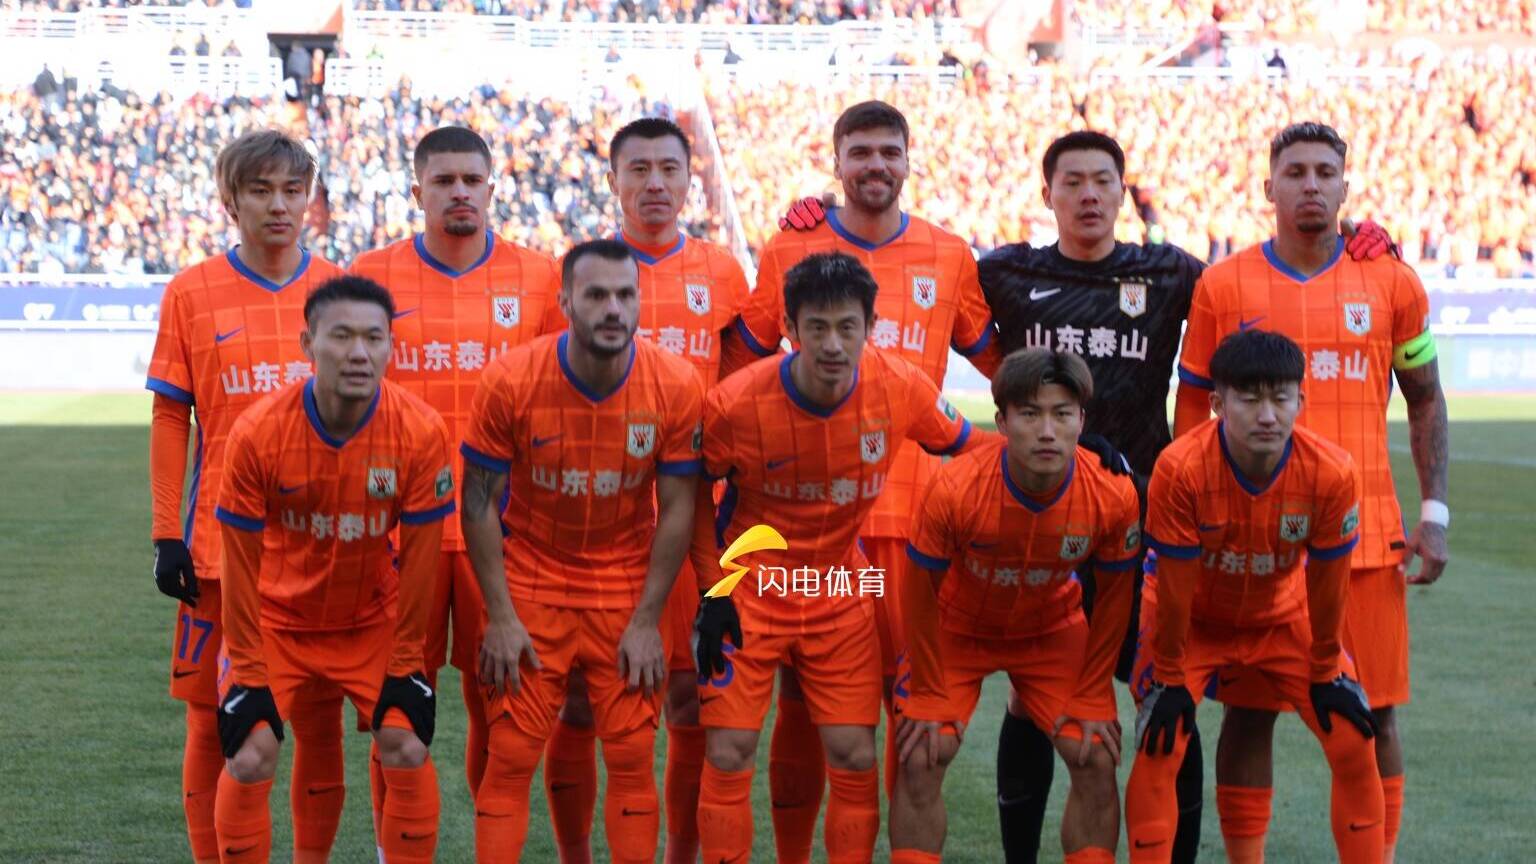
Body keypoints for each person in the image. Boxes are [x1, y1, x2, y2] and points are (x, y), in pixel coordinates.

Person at [780, 127, 1399, 864]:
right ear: (1047, 194)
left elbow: (1261, 279)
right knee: (1025, 698)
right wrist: (821, 214)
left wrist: (1355, 238)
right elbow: (907, 268)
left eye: (1102, 181)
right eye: (1071, 182)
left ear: (1122, 191)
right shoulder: (1005, 270)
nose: (1088, 195)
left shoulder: (1171, 273)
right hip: (1027, 504)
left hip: (1138, 513)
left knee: (1156, 703)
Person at [724, 101, 1002, 861]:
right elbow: (744, 359)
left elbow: (998, 362)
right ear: (837, 160)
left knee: (908, 707)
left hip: (916, 528)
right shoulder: (793, 243)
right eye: (861, 152)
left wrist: (1056, 431)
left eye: (889, 151)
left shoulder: (949, 254)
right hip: (813, 532)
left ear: (908, 160)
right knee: (800, 700)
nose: (875, 165)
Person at [1172, 122, 1449, 864]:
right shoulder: (1223, 284)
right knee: (1249, 715)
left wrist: (1434, 513)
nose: (1311, 184)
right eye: (1294, 172)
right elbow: (1192, 406)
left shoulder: (1391, 280)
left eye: (1326, 171)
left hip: (1366, 539)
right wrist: (1194, 518)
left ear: (1345, 186)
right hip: (1253, 547)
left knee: (1373, 715)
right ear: (1268, 187)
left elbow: (1425, 396)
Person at [694, 252, 982, 864]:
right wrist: (711, 590)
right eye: (816, 327)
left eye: (847, 327)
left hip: (841, 584)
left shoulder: (899, 385)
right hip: (751, 588)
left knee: (853, 753)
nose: (832, 344)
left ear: (870, 325)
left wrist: (1075, 458)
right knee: (727, 751)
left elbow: (974, 447)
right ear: (789, 329)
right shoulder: (735, 404)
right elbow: (690, 491)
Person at [537, 117, 749, 864]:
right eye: (639, 169)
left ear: (690, 180)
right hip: (593, 527)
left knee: (690, 699)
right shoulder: (580, 272)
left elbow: (741, 390)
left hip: (689, 520)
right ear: (614, 180)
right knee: (578, 703)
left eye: (669, 168)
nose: (655, 183)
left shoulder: (723, 274)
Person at [461, 239, 704, 864]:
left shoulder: (677, 384)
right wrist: (501, 616)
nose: (613, 309)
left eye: (625, 295)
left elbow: (678, 508)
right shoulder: (510, 380)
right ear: (565, 301)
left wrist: (648, 620)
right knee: (510, 756)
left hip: (625, 582)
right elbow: (478, 503)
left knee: (631, 756)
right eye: (596, 295)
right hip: (532, 576)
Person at [145, 129, 346, 864]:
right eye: (261, 190)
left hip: (323, 551)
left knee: (317, 721)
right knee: (213, 722)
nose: (279, 205)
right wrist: (166, 532)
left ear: (310, 199)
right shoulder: (191, 290)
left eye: (293, 190)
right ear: (231, 201)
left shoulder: (340, 291)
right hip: (218, 551)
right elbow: (172, 415)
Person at [350, 124, 562, 811]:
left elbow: (559, 399)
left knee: (496, 697)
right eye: (443, 181)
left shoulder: (539, 275)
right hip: (396, 529)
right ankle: (394, 852)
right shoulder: (371, 273)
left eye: (472, 179)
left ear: (492, 188)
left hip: (499, 531)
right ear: (417, 192)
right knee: (396, 706)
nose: (460, 192)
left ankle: (491, 839)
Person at [212, 275, 452, 864]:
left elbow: (421, 561)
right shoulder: (258, 433)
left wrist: (407, 664)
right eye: (341, 336)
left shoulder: (420, 431)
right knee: (250, 750)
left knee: (406, 742)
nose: (359, 352)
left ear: (391, 346)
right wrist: (247, 673)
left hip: (369, 621)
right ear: (307, 344)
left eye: (374, 337)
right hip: (276, 620)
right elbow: (237, 564)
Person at [1125, 328, 1383, 864]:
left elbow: (1329, 581)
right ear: (1218, 405)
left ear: (1300, 401)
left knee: (1354, 737)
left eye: (1280, 398)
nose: (1268, 415)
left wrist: (1326, 668)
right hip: (1191, 623)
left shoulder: (1332, 471)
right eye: (1249, 399)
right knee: (1160, 744)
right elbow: (1173, 583)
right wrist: (1169, 675)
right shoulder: (1181, 468)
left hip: (1281, 616)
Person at [894, 348, 1142, 864]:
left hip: (1052, 628)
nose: (1047, 431)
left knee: (1096, 756)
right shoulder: (954, 488)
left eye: (1062, 414)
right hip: (957, 628)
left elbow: (1116, 598)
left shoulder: (1113, 494)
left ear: (1082, 421)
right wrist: (928, 689)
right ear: (1002, 421)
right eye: (1030, 414)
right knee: (921, 754)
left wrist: (1093, 691)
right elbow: (918, 594)